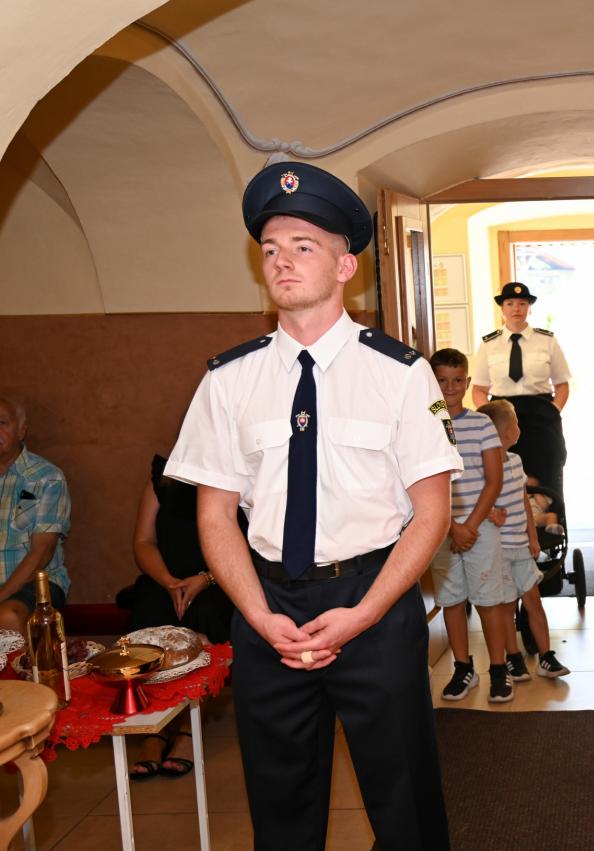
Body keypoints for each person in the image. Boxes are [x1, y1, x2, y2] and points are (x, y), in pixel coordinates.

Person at [165, 161, 461, 850]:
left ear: (344, 265)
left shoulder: (400, 373)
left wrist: (365, 613)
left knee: (406, 805)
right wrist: (258, 615)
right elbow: (214, 516)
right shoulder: (229, 379)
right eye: (270, 249)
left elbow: (432, 513)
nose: (282, 261)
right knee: (281, 811)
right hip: (268, 608)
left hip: (373, 602)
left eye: (303, 246)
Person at [127, 453, 240, 779]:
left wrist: (205, 579)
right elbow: (143, 542)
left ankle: (189, 728)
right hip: (166, 578)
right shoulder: (163, 475)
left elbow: (248, 544)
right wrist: (168, 581)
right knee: (149, 610)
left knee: (205, 613)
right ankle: (154, 730)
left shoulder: (235, 470)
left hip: (218, 580)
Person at [428, 348, 518, 704]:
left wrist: (470, 526)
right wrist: (452, 527)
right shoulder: (425, 423)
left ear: (467, 383)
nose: (449, 388)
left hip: (480, 529)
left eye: (456, 381)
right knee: (451, 600)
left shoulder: (481, 424)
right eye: (441, 381)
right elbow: (421, 482)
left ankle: (497, 668)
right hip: (440, 529)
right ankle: (463, 667)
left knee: (489, 601)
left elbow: (494, 480)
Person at [477, 400, 570, 682]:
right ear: (507, 432)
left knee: (534, 602)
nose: (520, 428)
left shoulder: (516, 462)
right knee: (506, 607)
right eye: (516, 423)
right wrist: (491, 514)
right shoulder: (484, 468)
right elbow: (477, 502)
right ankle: (513, 657)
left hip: (520, 546)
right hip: (498, 549)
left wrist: (532, 536)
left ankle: (546, 656)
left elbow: (523, 502)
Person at [471, 282, 572, 496]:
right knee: (505, 481)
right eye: (510, 303)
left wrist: (553, 411)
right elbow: (479, 389)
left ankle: (549, 518)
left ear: (529, 307)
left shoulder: (547, 340)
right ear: (502, 308)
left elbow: (562, 384)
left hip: (541, 418)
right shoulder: (489, 344)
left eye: (522, 303)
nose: (516, 309)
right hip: (503, 418)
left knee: (547, 481)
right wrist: (491, 419)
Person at [0, 395, 71, 633]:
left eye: (2, 423)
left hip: (36, 582)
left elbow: (42, 553)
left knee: (7, 616)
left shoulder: (46, 477)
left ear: (22, 430)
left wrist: (1, 595)